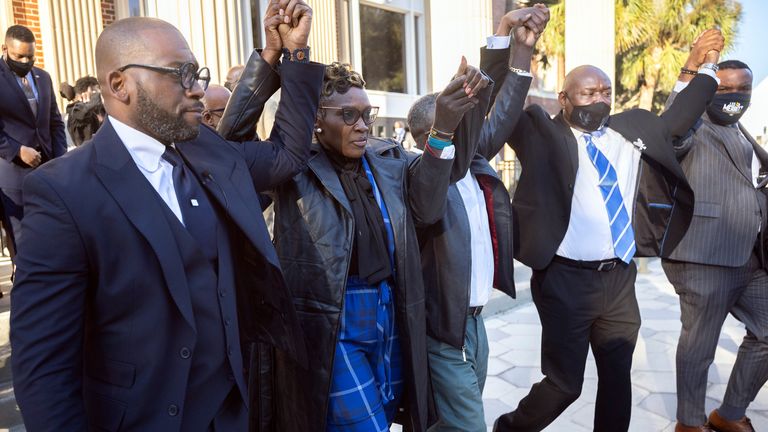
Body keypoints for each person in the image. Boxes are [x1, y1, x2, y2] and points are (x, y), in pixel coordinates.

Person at [10, 2, 323, 429]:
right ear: (120, 84)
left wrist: (292, 56)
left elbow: (286, 155)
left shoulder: (209, 153)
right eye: (180, 74)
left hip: (233, 414)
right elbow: (44, 370)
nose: (196, 89)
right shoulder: (63, 191)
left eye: (197, 74)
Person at [221, 42, 491, 430]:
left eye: (366, 114)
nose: (362, 125)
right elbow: (228, 142)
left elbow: (429, 209)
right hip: (333, 323)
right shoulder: (290, 167)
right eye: (349, 115)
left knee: (384, 416)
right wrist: (272, 62)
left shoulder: (390, 159)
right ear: (317, 118)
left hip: (391, 314)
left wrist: (444, 128)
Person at [489, 29, 724, 432]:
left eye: (605, 92)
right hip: (565, 281)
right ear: (563, 99)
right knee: (565, 384)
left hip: (618, 281)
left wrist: (701, 65)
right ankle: (511, 428)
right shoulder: (539, 133)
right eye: (587, 93)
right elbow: (502, 104)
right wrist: (514, 49)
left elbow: (677, 119)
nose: (598, 100)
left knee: (617, 381)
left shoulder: (627, 132)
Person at [407, 6, 548, 432]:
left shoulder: (474, 162)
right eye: (457, 122)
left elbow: (501, 108)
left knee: (449, 423)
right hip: (442, 331)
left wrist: (514, 46)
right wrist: (444, 132)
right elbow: (427, 204)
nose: (471, 127)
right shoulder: (419, 177)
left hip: (475, 322)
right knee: (469, 424)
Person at [661, 55, 768, 432]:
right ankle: (689, 423)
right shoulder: (692, 124)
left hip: (750, 259)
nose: (734, 96)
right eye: (723, 88)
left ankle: (729, 413)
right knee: (700, 347)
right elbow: (669, 135)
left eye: (743, 89)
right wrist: (690, 74)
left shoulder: (743, 131)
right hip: (702, 256)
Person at [0, 24, 66, 258]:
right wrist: (18, 150)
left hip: (48, 170)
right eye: (20, 56)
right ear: (5, 49)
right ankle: (25, 286)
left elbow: (55, 123)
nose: (26, 61)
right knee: (22, 241)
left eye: (31, 56)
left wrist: (59, 160)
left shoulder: (44, 77)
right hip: (13, 173)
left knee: (53, 231)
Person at [66, 75, 105, 147]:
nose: (99, 94)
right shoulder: (76, 111)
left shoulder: (101, 110)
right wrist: (88, 104)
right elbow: (80, 115)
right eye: (96, 92)